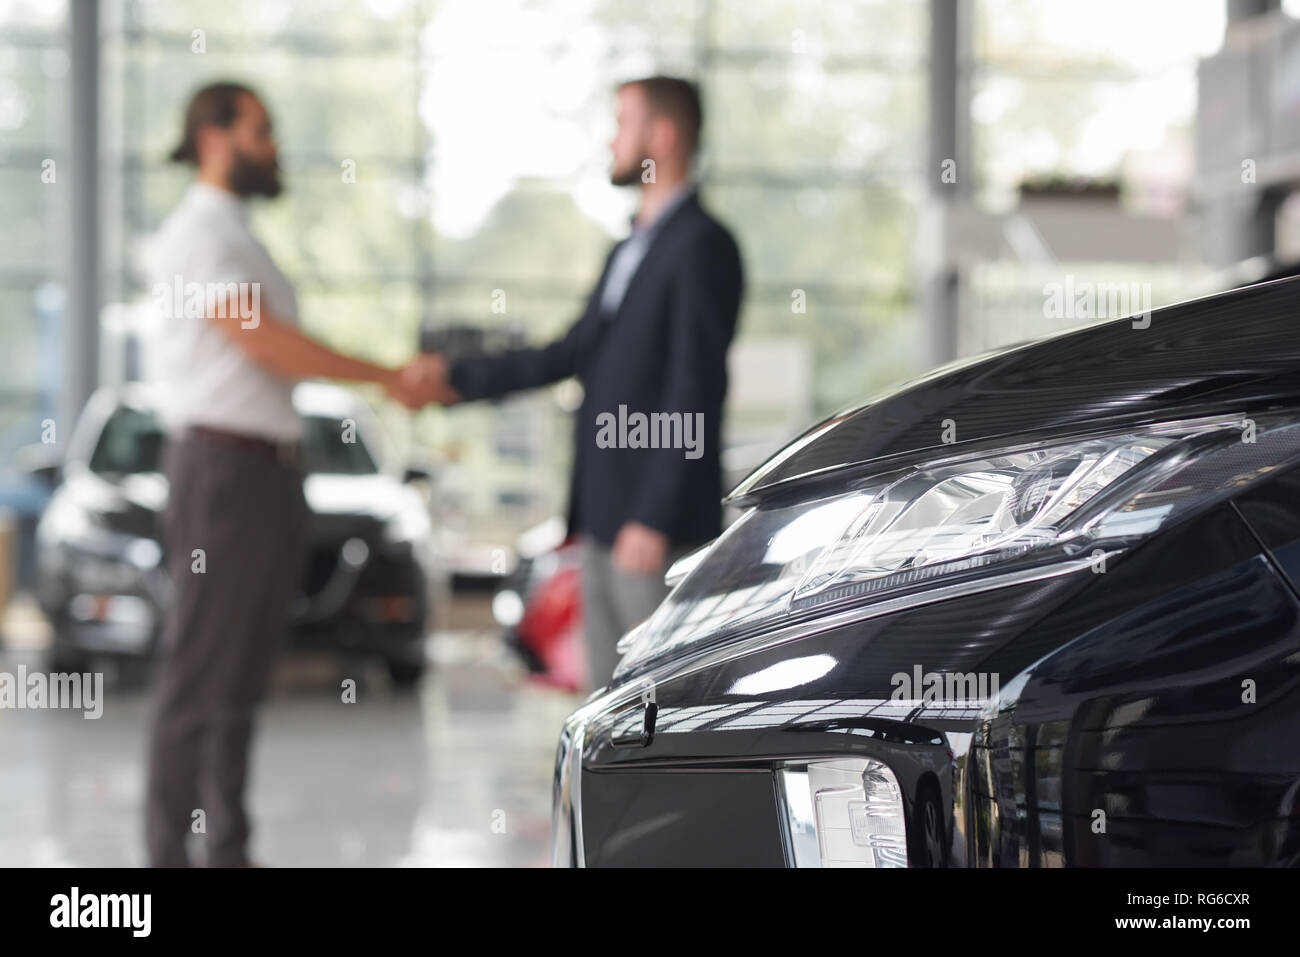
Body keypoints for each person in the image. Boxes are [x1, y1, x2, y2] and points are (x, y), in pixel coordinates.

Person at [145, 81, 432, 867]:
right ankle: (167, 856)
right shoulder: (201, 233)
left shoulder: (238, 233)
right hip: (223, 471)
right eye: (260, 132)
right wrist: (386, 374)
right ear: (214, 135)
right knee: (199, 673)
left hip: (265, 474)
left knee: (239, 679)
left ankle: (227, 851)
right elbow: (262, 341)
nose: (274, 148)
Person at [407, 76, 745, 689]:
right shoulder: (629, 250)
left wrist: (655, 514)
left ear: (661, 137)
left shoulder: (702, 246)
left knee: (657, 701)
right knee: (609, 701)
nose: (612, 141)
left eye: (623, 125)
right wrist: (455, 379)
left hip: (648, 524)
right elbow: (569, 352)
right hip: (601, 516)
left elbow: (696, 387)